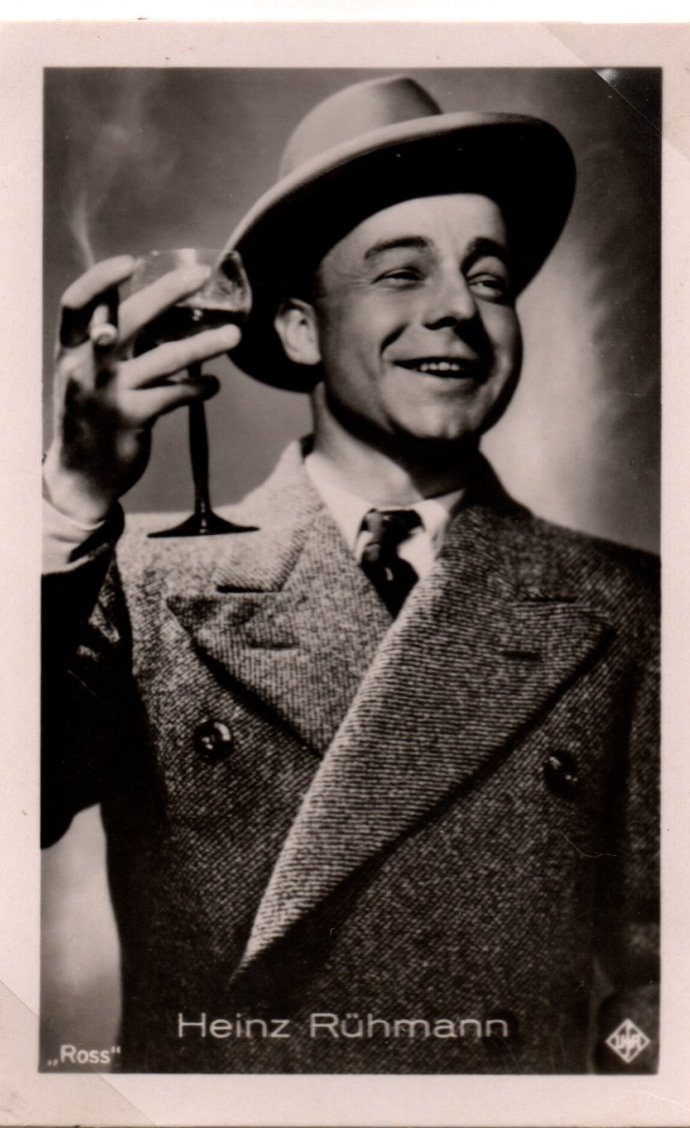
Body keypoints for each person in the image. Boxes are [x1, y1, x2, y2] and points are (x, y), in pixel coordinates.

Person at [42, 76, 659, 1074]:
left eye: (490, 279)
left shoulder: (629, 607)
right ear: (297, 328)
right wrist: (72, 498)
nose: (458, 309)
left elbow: (668, 975)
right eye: (401, 273)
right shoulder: (138, 580)